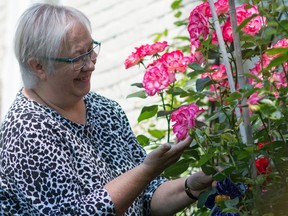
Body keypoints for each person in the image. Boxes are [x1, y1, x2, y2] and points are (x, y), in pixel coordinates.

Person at [0, 3, 214, 215]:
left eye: (91, 50)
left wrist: (191, 186)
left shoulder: (104, 110)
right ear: (38, 67)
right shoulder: (26, 131)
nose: (90, 64)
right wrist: (146, 171)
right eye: (77, 58)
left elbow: (146, 198)